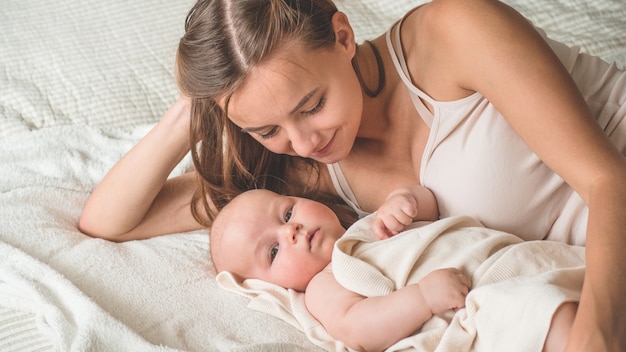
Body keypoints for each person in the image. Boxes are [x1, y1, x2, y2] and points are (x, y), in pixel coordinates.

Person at [78, 0, 626, 349]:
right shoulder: (296, 181)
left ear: (343, 36)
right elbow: (109, 221)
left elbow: (608, 181)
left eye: (312, 103)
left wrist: (595, 337)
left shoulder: (453, 33)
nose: (304, 141)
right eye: (268, 129)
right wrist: (197, 106)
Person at [210, 187, 582, 352]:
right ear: (269, 285)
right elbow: (359, 329)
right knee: (552, 315)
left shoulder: (367, 225)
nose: (290, 230)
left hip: (518, 259)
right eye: (274, 250)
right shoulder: (324, 286)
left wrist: (403, 200)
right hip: (484, 301)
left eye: (287, 212)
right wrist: (422, 297)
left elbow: (430, 206)